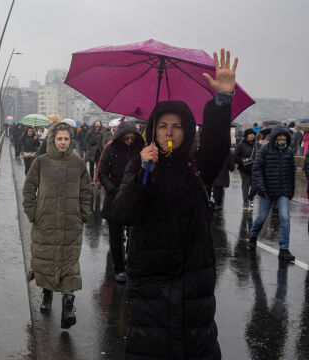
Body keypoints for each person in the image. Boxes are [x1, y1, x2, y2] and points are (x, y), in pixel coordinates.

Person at [111, 49, 237, 359]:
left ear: (187, 131)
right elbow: (122, 212)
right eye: (163, 125)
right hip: (150, 284)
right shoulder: (139, 166)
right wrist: (143, 171)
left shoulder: (197, 167)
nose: (169, 131)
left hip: (194, 284)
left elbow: (217, 146)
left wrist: (221, 103)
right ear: (152, 130)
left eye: (177, 126)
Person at [22, 121, 92, 329]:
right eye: (59, 139)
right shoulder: (41, 162)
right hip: (46, 221)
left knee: (69, 261)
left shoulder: (78, 163)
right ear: (53, 140)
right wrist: (33, 214)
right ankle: (47, 293)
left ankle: (68, 305)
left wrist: (83, 214)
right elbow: (29, 190)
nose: (63, 143)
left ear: (71, 141)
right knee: (46, 259)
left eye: (66, 139)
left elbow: (86, 190)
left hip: (72, 223)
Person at [97, 122, 143, 283]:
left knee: (134, 236)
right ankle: (119, 268)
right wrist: (111, 189)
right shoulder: (111, 149)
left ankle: (131, 265)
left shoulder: (140, 151)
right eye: (126, 138)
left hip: (134, 199)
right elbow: (102, 172)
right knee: (116, 239)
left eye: (132, 138)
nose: (129, 141)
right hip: (115, 199)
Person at [249, 124, 296, 262]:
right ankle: (253, 235)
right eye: (280, 136)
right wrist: (261, 188)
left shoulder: (289, 152)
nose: (282, 138)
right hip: (267, 191)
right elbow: (257, 169)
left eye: (284, 136)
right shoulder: (265, 150)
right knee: (262, 217)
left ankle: (284, 249)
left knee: (285, 218)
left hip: (283, 191)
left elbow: (291, 173)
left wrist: (290, 191)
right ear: (275, 136)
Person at [235, 129, 258, 210]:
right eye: (250, 134)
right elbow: (236, 156)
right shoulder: (241, 145)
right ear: (246, 136)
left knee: (255, 187)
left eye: (253, 134)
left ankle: (250, 198)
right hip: (244, 168)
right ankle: (245, 202)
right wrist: (242, 161)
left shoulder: (256, 145)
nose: (252, 135)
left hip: (254, 168)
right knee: (245, 186)